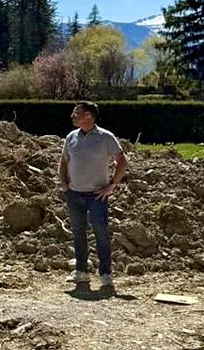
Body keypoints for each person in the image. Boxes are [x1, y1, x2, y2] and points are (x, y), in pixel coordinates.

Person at [60, 101, 128, 289]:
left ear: (88, 115)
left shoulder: (106, 137)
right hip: (74, 194)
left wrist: (111, 185)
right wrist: (64, 185)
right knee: (78, 232)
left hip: (97, 196)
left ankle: (105, 273)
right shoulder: (71, 137)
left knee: (100, 232)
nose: (73, 116)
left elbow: (122, 162)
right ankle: (81, 271)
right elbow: (64, 162)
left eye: (76, 113)